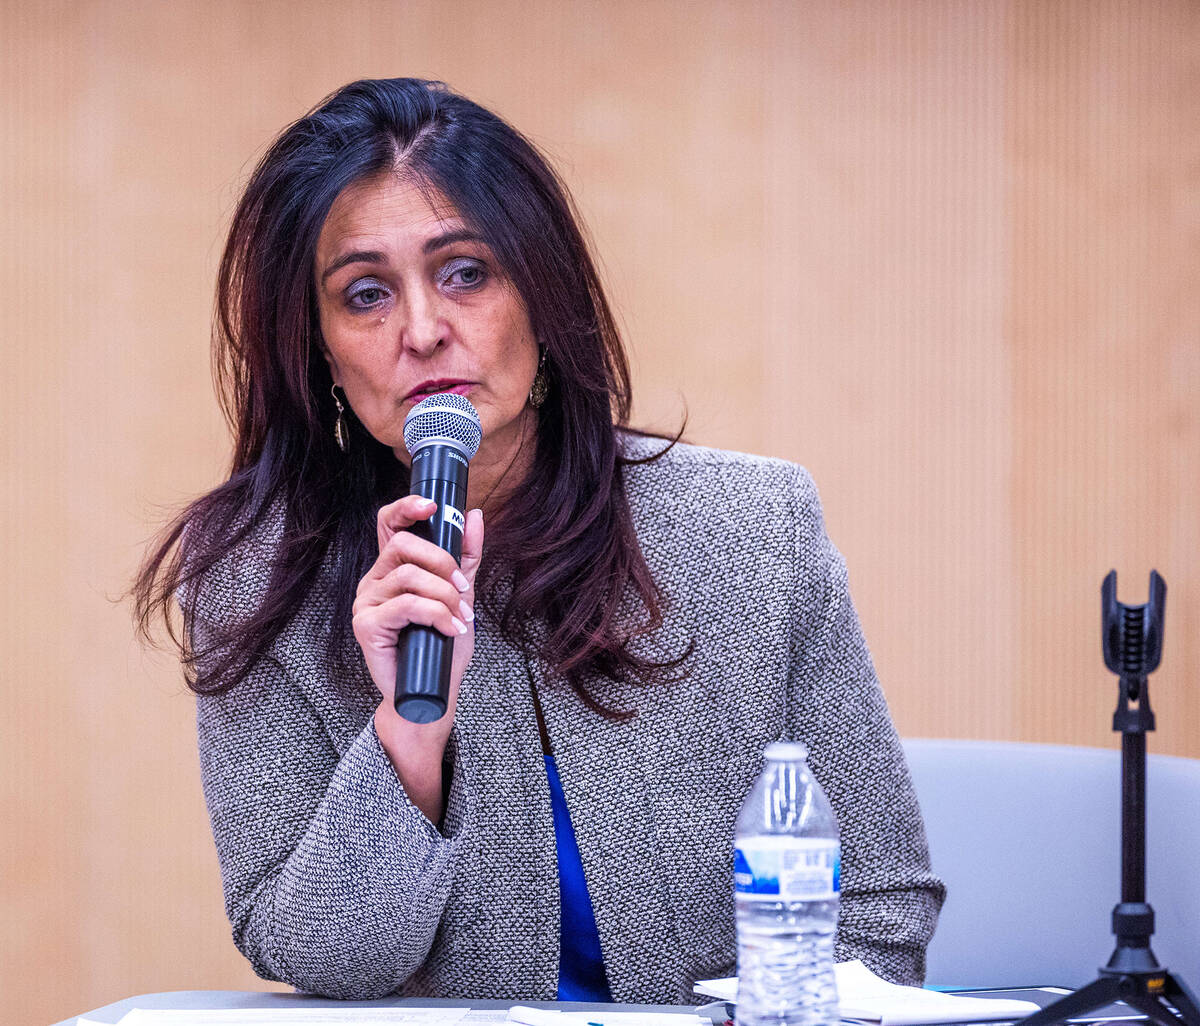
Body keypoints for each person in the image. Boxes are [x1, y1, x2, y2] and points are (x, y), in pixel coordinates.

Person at [133, 77, 944, 1004]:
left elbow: (882, 922)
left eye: (466, 272)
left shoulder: (753, 527)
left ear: (543, 294)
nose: (425, 330)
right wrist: (408, 730)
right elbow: (317, 960)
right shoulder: (251, 580)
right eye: (365, 295)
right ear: (317, 349)